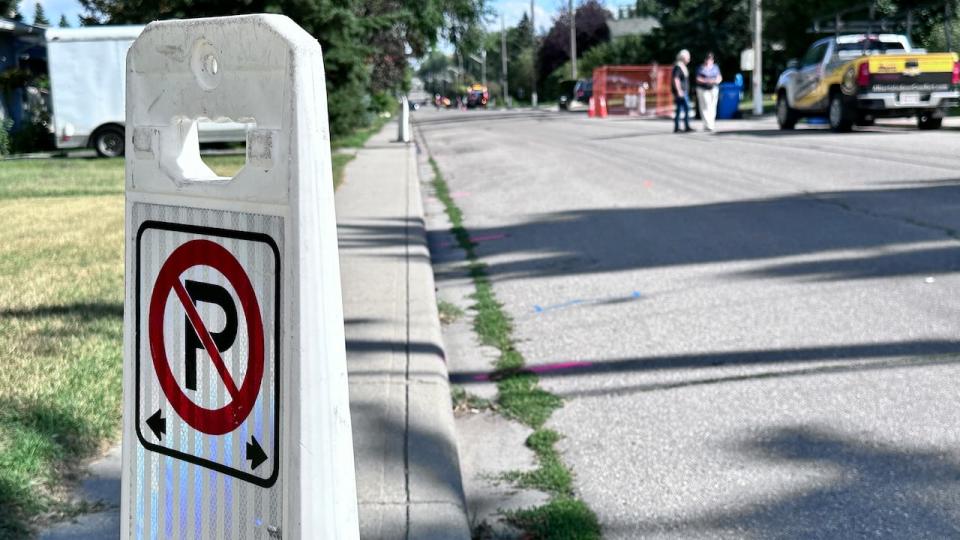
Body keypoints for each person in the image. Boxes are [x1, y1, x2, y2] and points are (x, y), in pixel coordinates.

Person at [695, 52, 723, 132]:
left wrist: (715, 81)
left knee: (712, 106)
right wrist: (707, 81)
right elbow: (698, 78)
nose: (708, 60)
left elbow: (719, 77)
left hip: (713, 88)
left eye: (710, 59)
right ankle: (708, 124)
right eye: (707, 59)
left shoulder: (715, 67)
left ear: (712, 60)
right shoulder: (700, 68)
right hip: (703, 89)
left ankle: (711, 123)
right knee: (705, 106)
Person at [672, 49, 692, 133]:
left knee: (679, 109)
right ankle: (686, 126)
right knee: (687, 108)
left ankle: (677, 127)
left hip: (683, 91)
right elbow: (676, 79)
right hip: (681, 92)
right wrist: (679, 90)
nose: (689, 59)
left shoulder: (682, 66)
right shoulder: (678, 66)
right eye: (688, 57)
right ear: (683, 57)